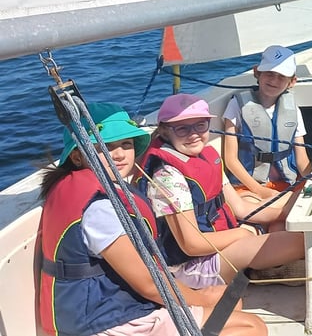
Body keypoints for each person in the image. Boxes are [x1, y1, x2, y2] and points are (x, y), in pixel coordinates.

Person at [38, 102, 264, 336]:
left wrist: (200, 298)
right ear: (77, 156)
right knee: (252, 327)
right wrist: (200, 300)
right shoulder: (100, 209)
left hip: (112, 305)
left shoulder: (85, 190)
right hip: (106, 321)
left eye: (126, 144)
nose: (119, 155)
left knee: (229, 300)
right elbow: (148, 284)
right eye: (104, 148)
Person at [135, 93, 304, 289]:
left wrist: (283, 213)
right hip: (191, 266)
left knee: (284, 206)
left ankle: (261, 267)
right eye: (182, 128)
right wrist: (242, 235)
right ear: (165, 132)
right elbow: (192, 245)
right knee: (299, 241)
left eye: (200, 125)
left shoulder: (206, 155)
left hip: (220, 236)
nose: (193, 134)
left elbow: (240, 208)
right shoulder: (167, 177)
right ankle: (260, 266)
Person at [222, 45, 311, 201]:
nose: (274, 80)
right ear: (257, 72)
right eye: (269, 73)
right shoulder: (237, 105)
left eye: (281, 76)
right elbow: (230, 160)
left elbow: (302, 159)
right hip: (249, 187)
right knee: (271, 208)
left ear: (292, 81)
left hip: (287, 184)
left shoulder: (293, 110)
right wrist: (259, 190)